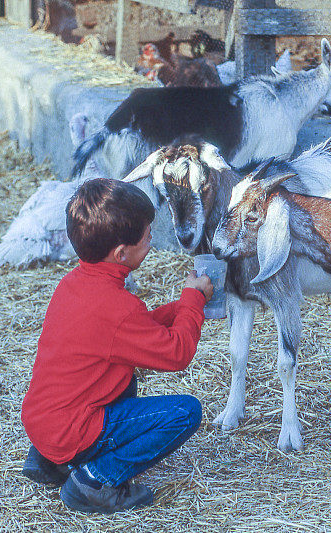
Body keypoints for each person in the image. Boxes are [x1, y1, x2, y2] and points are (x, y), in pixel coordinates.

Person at [20, 178, 214, 513]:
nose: (152, 240)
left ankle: (49, 461)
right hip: (72, 432)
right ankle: (94, 481)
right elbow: (176, 353)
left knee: (124, 376)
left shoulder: (73, 284)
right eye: (147, 235)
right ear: (121, 253)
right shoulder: (118, 308)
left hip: (44, 425)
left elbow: (129, 333)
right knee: (185, 412)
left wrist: (186, 306)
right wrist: (192, 303)